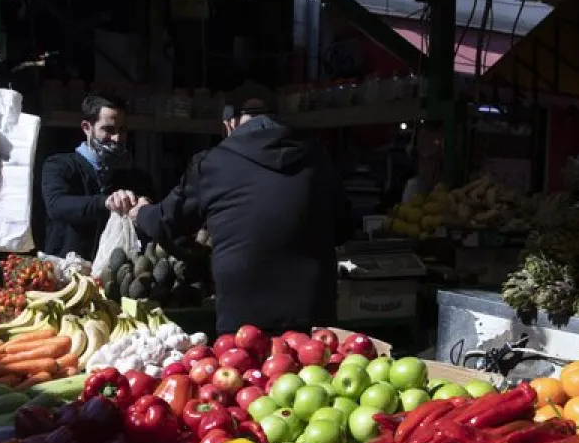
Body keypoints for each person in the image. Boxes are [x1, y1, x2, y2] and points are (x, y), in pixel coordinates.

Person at [132, 84, 352, 334]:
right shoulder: (317, 157)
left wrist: (140, 212)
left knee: (248, 372)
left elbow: (167, 222)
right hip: (313, 310)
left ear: (229, 125)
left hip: (244, 316)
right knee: (314, 373)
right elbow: (344, 228)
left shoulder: (211, 163)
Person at [40, 93, 153, 259]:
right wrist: (105, 202)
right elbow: (57, 205)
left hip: (114, 277)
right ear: (87, 127)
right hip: (65, 271)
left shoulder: (136, 178)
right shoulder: (59, 165)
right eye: (108, 130)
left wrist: (146, 210)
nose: (117, 138)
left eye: (122, 130)